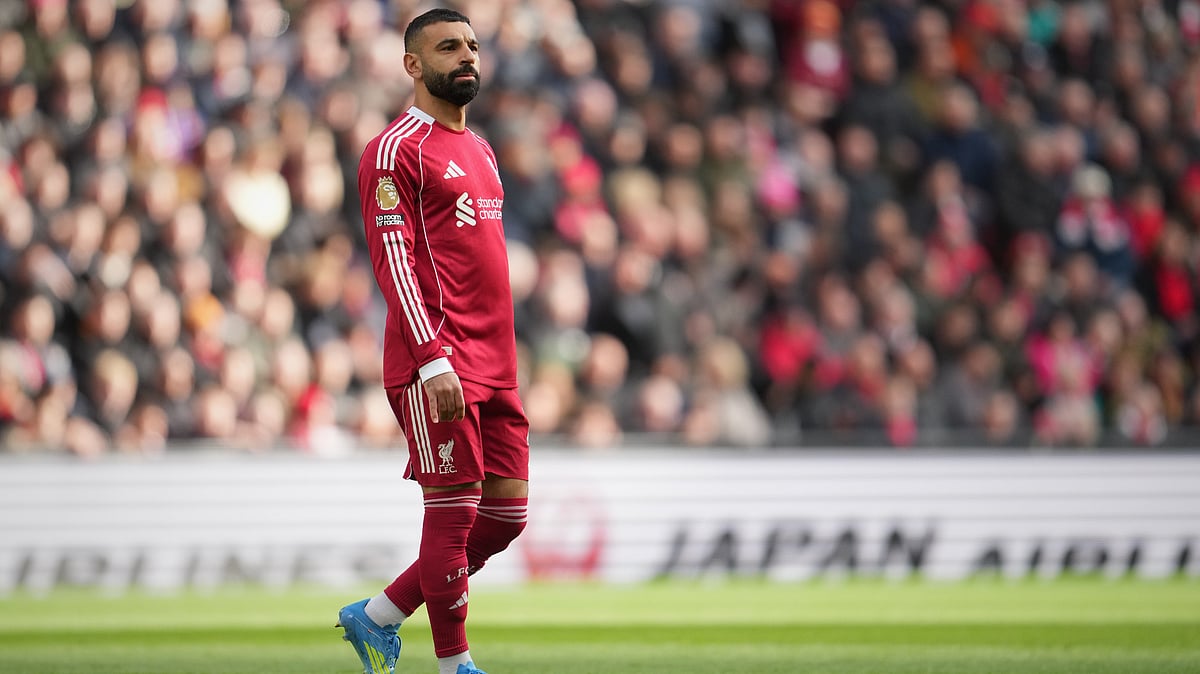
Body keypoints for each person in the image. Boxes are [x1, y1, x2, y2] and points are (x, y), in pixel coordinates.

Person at [336, 9, 530, 674]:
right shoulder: (395, 150)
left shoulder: (480, 149)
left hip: (496, 362)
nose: (466, 56)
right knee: (454, 512)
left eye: (472, 45)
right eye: (449, 47)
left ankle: (380, 614)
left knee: (506, 518)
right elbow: (393, 262)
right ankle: (454, 667)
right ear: (413, 65)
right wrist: (432, 358)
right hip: (438, 361)